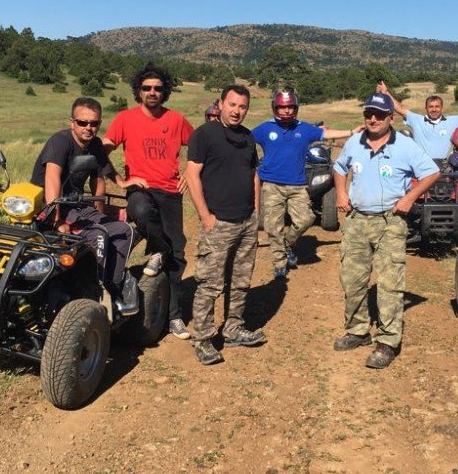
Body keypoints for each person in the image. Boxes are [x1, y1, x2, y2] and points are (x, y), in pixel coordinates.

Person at [332, 92, 440, 369]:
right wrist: (341, 194)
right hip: (357, 220)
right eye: (369, 113)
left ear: (391, 117)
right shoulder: (355, 142)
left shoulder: (405, 146)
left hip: (390, 222)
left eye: (380, 114)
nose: (373, 118)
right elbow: (339, 167)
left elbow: (432, 173)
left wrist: (410, 198)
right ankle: (357, 331)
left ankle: (388, 340)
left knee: (390, 283)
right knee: (353, 279)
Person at [102, 63, 194, 340]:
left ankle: (174, 317)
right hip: (140, 189)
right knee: (139, 210)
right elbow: (100, 147)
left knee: (177, 257)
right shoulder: (125, 119)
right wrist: (119, 180)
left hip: (170, 192)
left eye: (158, 88)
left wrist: (189, 170)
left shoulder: (176, 120)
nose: (152, 93)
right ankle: (159, 247)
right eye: (146, 88)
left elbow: (198, 145)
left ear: (164, 92)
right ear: (138, 91)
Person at [184, 84, 266, 365]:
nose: (237, 111)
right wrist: (205, 216)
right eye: (232, 105)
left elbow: (253, 174)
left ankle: (233, 328)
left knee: (241, 281)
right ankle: (203, 339)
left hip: (246, 222)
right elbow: (192, 176)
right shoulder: (204, 135)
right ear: (220, 105)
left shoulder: (247, 137)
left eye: (242, 106)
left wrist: (256, 212)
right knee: (209, 283)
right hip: (218, 223)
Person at [31, 97, 137, 312]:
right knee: (98, 235)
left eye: (94, 123)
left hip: (76, 205)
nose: (88, 128)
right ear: (72, 122)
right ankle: (91, 289)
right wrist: (56, 219)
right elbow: (52, 178)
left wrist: (101, 211)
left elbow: (98, 180)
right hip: (49, 205)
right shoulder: (60, 141)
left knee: (123, 230)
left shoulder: (96, 145)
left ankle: (111, 286)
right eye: (82, 122)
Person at [252, 89, 357, 279]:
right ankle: (279, 263)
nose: (286, 111)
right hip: (272, 185)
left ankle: (285, 245)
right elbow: (244, 139)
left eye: (290, 107)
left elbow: (326, 134)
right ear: (275, 108)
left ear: (296, 108)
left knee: (306, 219)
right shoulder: (265, 128)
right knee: (272, 226)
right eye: (282, 107)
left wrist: (351, 132)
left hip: (297, 185)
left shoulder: (304, 128)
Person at [376, 80, 458, 160]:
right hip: (421, 166)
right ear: (426, 108)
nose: (434, 109)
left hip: (445, 167)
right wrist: (386, 93)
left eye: (437, 106)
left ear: (442, 108)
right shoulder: (417, 120)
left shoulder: (452, 121)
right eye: (431, 107)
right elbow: (400, 109)